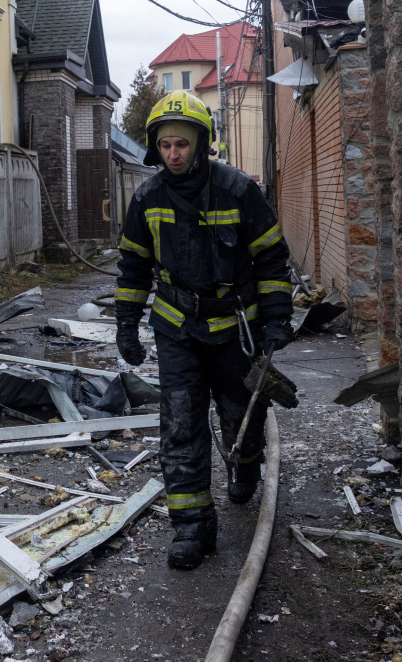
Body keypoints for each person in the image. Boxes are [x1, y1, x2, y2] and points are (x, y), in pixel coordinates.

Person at [112, 90, 293, 570]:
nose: (174, 153)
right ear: (156, 147)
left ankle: (245, 462)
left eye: (182, 144)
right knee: (180, 427)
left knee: (242, 417)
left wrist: (277, 320)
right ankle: (192, 529)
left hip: (236, 331)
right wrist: (126, 326)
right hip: (178, 331)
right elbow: (132, 269)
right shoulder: (147, 199)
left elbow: (272, 259)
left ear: (201, 144)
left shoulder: (237, 191)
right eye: (166, 145)